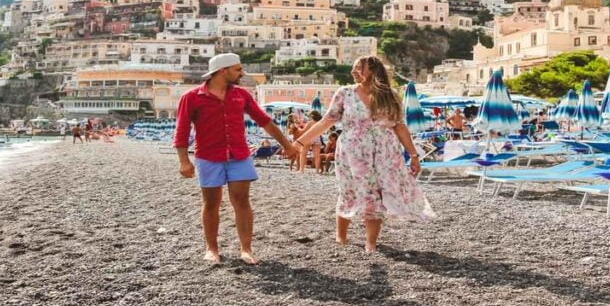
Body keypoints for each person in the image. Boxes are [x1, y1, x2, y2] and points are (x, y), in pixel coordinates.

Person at [296, 56, 435, 253]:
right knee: (349, 190)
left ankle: (370, 243)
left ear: (372, 69)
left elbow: (399, 126)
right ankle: (341, 236)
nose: (353, 72)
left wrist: (413, 155)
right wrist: (300, 141)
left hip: (385, 153)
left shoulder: (390, 95)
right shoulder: (345, 93)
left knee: (376, 194)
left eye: (358, 68)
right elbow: (327, 121)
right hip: (353, 152)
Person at [174, 53, 297, 265]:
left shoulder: (241, 95)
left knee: (242, 201)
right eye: (238, 69)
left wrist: (287, 145)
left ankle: (246, 249)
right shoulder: (192, 97)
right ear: (223, 71)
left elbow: (264, 121)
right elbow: (182, 130)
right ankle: (212, 249)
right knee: (211, 203)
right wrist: (184, 160)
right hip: (208, 156)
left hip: (239, 154)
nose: (242, 73)